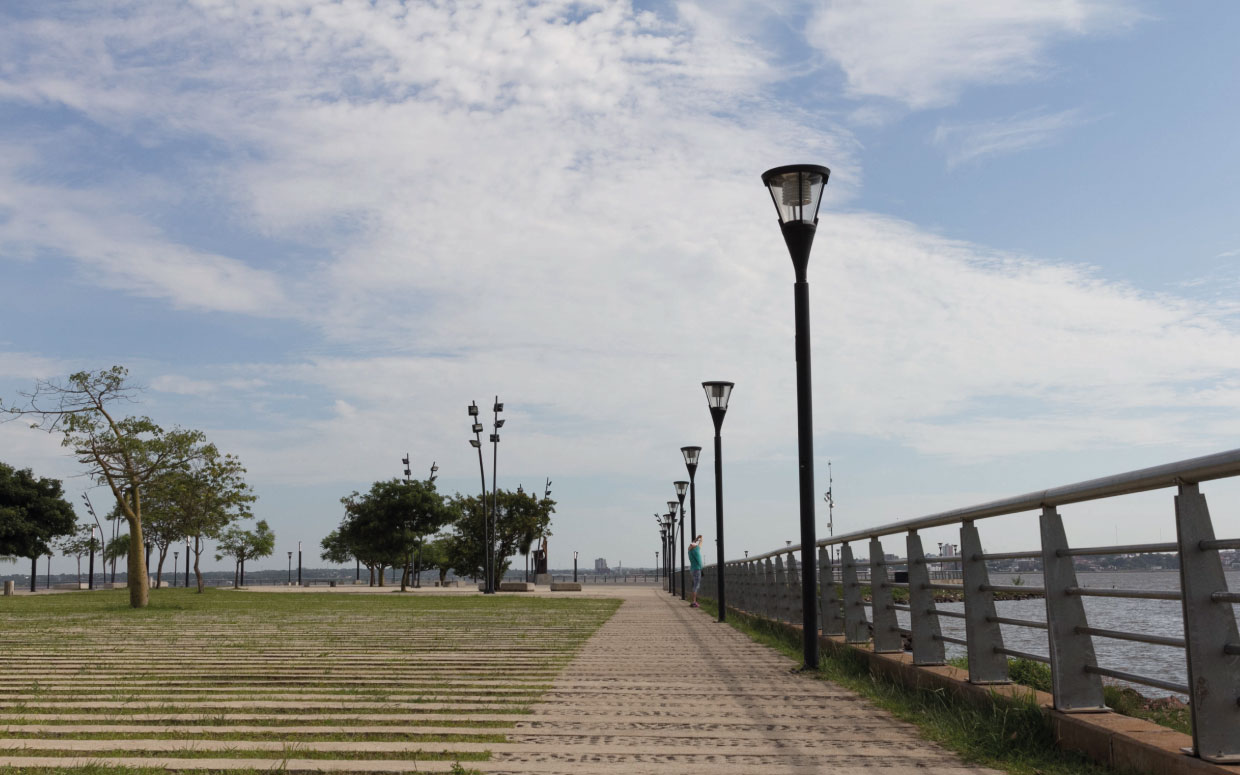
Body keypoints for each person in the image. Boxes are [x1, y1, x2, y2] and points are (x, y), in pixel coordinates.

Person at [688, 534, 704, 608]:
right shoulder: (696, 550)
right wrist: (701, 538)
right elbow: (701, 543)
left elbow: (693, 543)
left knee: (695, 584)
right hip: (697, 569)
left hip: (692, 570)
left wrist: (696, 538)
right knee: (696, 586)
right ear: (694, 546)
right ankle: (694, 602)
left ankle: (694, 601)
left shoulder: (689, 551)